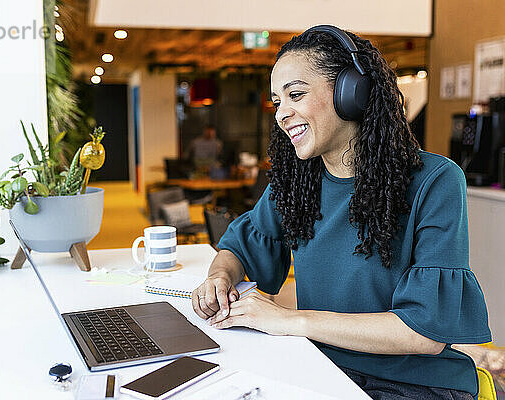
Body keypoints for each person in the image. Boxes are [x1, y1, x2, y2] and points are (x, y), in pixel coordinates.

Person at [191, 26, 491, 400]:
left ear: (352, 93)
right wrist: (219, 276)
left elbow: (423, 334)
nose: (283, 114)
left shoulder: (436, 181)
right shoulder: (295, 183)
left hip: (414, 383)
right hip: (321, 367)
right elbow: (243, 245)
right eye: (277, 102)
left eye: (295, 95)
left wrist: (290, 320)